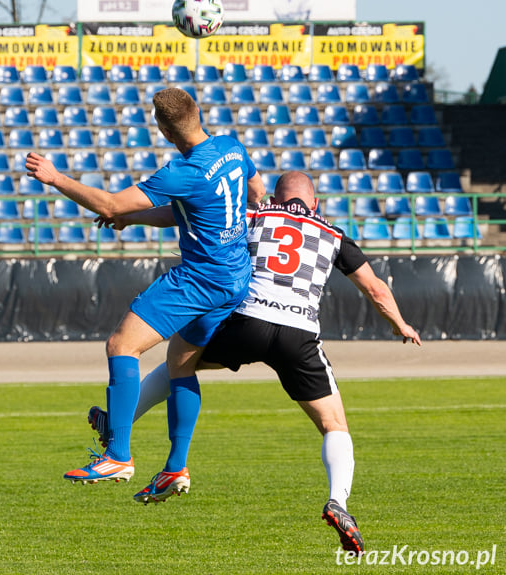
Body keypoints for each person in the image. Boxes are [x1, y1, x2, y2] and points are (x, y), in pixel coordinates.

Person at [88, 171, 421, 555]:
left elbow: (185, 215)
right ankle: (338, 503)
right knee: (334, 425)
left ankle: (123, 429)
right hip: (299, 334)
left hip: (246, 321)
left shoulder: (255, 215)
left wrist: (128, 217)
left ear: (276, 196)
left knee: (180, 361)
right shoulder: (334, 233)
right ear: (314, 203)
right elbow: (376, 288)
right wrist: (401, 324)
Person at [26, 87, 265, 495]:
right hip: (235, 276)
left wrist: (56, 178)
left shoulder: (182, 171)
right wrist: (136, 221)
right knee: (180, 366)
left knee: (122, 346)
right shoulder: (231, 147)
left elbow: (108, 204)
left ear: (164, 130)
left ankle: (117, 455)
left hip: (200, 278)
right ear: (198, 113)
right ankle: (175, 468)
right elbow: (253, 194)